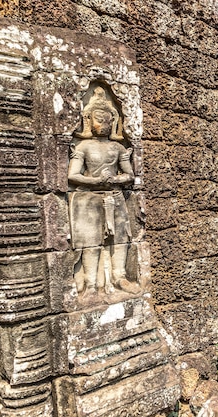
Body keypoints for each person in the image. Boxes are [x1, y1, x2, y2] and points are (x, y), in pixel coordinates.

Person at [68, 86, 140, 303]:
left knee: (120, 239)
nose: (104, 125)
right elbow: (73, 175)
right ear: (89, 121)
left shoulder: (117, 149)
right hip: (89, 199)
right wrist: (95, 181)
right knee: (91, 240)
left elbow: (129, 175)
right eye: (99, 120)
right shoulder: (84, 146)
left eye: (108, 121)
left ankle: (120, 276)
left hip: (115, 198)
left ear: (114, 122)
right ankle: (91, 284)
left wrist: (116, 179)